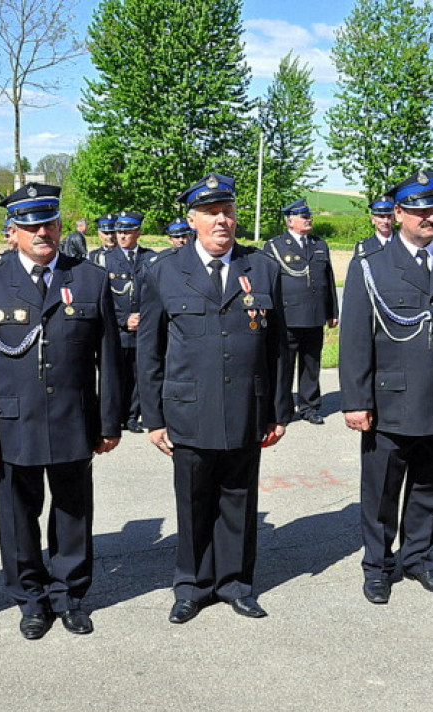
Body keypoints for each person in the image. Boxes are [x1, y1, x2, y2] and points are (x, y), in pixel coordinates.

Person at [0, 183, 123, 639]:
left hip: (74, 417)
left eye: (48, 223)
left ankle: (68, 596)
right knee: (17, 517)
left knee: (73, 513)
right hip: (13, 423)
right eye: (30, 226)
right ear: (12, 232)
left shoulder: (89, 278)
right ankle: (31, 600)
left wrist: (109, 421)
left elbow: (108, 359)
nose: (41, 233)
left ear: (57, 224)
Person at [137, 173, 291, 623]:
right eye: (210, 213)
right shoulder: (164, 270)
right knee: (193, 499)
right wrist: (153, 418)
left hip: (247, 406)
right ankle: (192, 585)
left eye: (227, 211)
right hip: (188, 408)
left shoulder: (261, 268)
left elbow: (278, 347)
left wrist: (280, 411)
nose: (221, 220)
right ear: (192, 220)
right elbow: (150, 350)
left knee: (239, 499)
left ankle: (235, 584)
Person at [339, 170, 433, 604]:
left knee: (430, 486)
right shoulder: (371, 264)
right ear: (399, 213)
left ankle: (419, 559)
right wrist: (355, 400)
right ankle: (377, 566)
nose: (430, 217)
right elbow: (354, 338)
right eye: (420, 210)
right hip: (389, 399)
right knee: (381, 491)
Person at [263, 198, 339, 425]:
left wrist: (332, 311)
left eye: (309, 216)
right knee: (283, 366)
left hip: (315, 316)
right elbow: (268, 282)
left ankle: (310, 407)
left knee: (311, 364)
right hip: (287, 317)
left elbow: (329, 280)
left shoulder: (319, 244)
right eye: (304, 217)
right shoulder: (275, 246)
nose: (309, 220)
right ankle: (283, 410)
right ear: (290, 221)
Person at [113, 210, 153, 431]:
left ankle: (131, 416)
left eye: (127, 231)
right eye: (119, 231)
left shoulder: (151, 259)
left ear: (138, 232)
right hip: (119, 331)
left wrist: (143, 318)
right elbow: (105, 299)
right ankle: (116, 415)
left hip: (142, 330)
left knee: (140, 376)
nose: (122, 236)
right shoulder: (106, 260)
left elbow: (155, 296)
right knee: (117, 375)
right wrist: (124, 319)